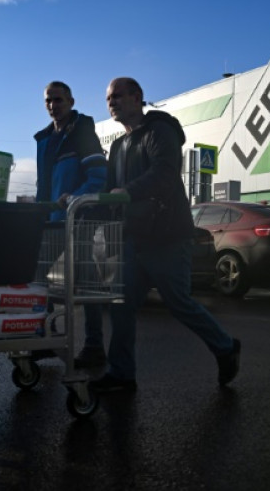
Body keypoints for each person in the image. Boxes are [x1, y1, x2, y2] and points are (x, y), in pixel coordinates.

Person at [90, 76, 240, 393]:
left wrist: (127, 192)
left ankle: (226, 348)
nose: (111, 103)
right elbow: (108, 191)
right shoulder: (117, 146)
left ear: (137, 97)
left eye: (117, 96)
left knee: (179, 302)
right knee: (121, 304)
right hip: (133, 238)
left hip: (167, 235)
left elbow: (164, 173)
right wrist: (83, 204)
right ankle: (122, 374)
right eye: (108, 99)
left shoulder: (160, 132)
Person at [34, 80, 108, 368]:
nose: (53, 105)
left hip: (79, 220)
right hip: (52, 221)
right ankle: (44, 338)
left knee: (86, 283)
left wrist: (75, 199)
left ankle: (94, 345)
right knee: (38, 278)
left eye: (59, 100)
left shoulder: (82, 131)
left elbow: (98, 175)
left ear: (71, 102)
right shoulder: (44, 139)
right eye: (48, 101)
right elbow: (44, 185)